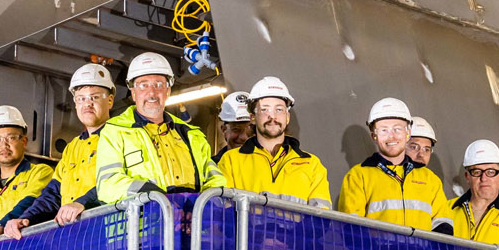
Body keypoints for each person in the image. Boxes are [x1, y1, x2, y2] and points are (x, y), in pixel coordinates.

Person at [0, 65, 113, 240]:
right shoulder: (73, 148)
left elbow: (118, 180)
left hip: (108, 232)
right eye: (81, 98)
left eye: (94, 97)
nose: (87, 104)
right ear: (75, 104)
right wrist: (25, 218)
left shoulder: (121, 136)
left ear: (110, 100)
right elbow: (52, 194)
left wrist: (82, 203)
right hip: (73, 237)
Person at [94, 52, 225, 203]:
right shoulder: (115, 132)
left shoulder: (190, 134)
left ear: (168, 91)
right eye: (143, 85)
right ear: (133, 93)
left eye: (159, 85)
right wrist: (154, 197)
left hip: (192, 223)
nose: (152, 93)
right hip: (143, 223)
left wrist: (201, 208)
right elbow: (108, 186)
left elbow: (215, 180)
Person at [338, 99, 453, 234]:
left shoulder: (430, 180)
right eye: (383, 130)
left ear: (408, 133)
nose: (391, 136)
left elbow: (443, 226)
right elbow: (351, 229)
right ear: (374, 136)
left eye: (397, 129)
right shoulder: (358, 176)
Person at [216, 76, 331, 206]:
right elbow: (223, 214)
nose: (272, 117)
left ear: (287, 117)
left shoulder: (312, 165)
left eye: (279, 109)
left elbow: (321, 219)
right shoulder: (230, 161)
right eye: (264, 109)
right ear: (253, 117)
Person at [0, 106, 56, 244]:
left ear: (24, 141)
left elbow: (31, 204)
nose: (4, 145)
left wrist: (0, 226)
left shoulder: (40, 173)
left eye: (11, 138)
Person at [216, 91, 253, 158]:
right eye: (236, 129)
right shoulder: (212, 167)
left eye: (250, 130)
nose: (244, 137)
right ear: (224, 129)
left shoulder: (271, 166)